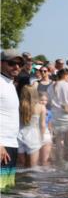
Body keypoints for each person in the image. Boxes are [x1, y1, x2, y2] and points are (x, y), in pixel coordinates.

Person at [1, 51, 25, 187]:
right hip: (2, 145)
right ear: (1, 63)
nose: (16, 67)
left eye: (19, 64)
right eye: (12, 63)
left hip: (11, 144)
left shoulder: (10, 84)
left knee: (7, 188)